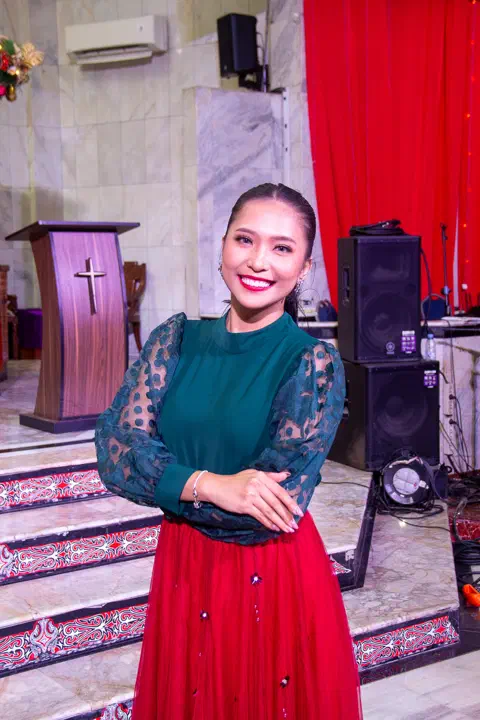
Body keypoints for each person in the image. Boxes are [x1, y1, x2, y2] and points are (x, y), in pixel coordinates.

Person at [95, 183, 363, 719]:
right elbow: (116, 453)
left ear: (304, 268)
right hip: (183, 566)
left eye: (282, 248)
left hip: (269, 575)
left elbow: (264, 512)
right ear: (222, 247)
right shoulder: (175, 341)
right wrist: (212, 485)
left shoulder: (311, 363)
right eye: (245, 239)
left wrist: (171, 482)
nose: (258, 261)